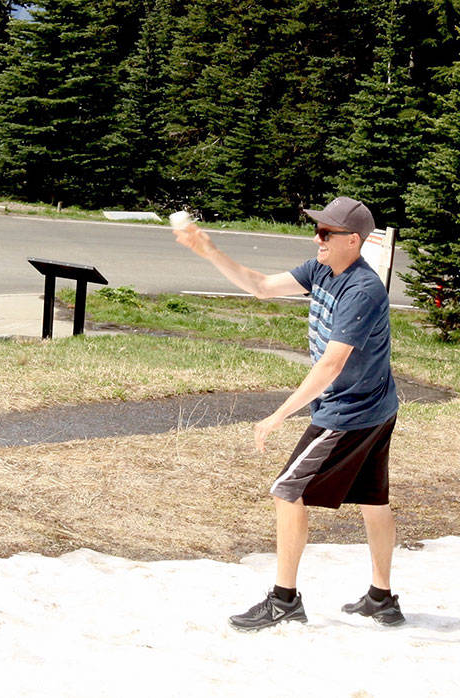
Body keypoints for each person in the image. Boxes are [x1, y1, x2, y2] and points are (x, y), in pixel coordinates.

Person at [174, 196, 404, 630]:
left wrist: (278, 415)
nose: (317, 239)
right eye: (317, 230)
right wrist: (208, 249)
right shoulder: (321, 269)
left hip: (350, 411)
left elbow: (332, 364)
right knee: (373, 499)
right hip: (376, 405)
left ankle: (284, 600)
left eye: (325, 233)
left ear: (352, 241)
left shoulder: (362, 290)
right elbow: (260, 285)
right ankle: (382, 598)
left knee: (286, 491)